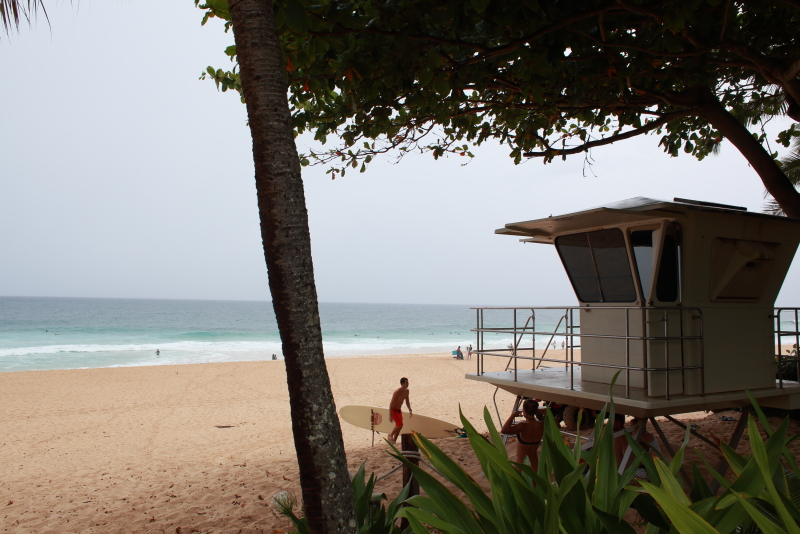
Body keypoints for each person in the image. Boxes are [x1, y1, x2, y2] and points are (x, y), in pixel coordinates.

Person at [501, 399, 545, 469]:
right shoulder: (542, 424)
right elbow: (557, 425)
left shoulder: (523, 426)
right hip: (534, 464)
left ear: (524, 410)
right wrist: (540, 415)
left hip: (522, 465)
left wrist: (512, 416)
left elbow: (504, 430)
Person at [388, 377, 412, 443]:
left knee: (400, 426)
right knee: (400, 424)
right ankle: (390, 435)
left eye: (408, 382)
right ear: (402, 383)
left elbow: (407, 401)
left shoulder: (407, 391)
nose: (408, 384)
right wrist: (390, 415)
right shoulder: (397, 392)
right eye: (406, 382)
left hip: (399, 410)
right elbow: (391, 403)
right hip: (394, 410)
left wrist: (410, 409)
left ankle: (394, 440)